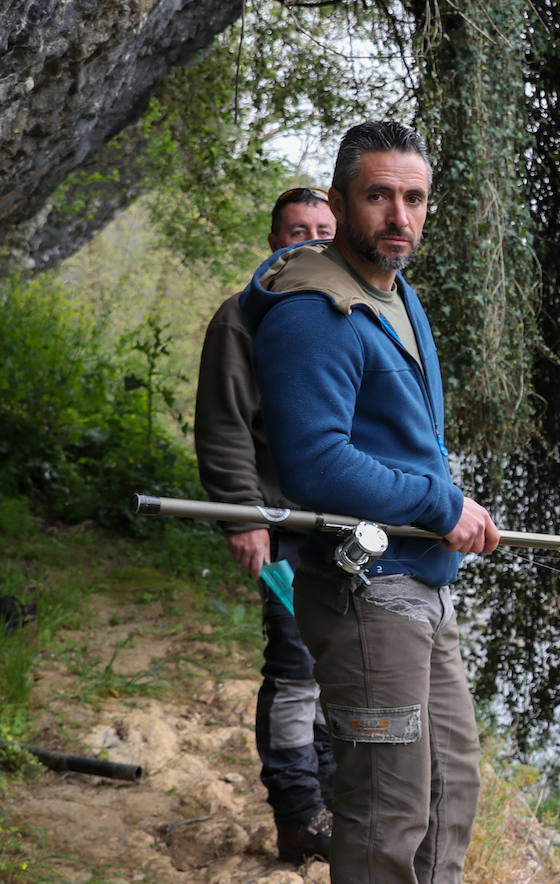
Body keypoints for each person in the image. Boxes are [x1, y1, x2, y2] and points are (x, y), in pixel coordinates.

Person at [241, 120, 501, 882]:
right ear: (340, 200)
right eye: (380, 195)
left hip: (422, 581)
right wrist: (437, 502)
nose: (400, 216)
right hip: (365, 595)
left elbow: (399, 440)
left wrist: (445, 500)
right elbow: (315, 464)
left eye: (414, 197)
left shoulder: (395, 295)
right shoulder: (314, 314)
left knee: (451, 791)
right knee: (386, 811)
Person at [194, 186, 338, 863]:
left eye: (322, 228)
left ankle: (335, 804)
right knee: (296, 668)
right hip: (276, 524)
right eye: (296, 229)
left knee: (341, 670)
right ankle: (298, 813)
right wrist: (240, 519)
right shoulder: (241, 319)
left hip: (346, 526)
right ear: (275, 241)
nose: (310, 239)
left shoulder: (350, 312)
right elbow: (223, 427)